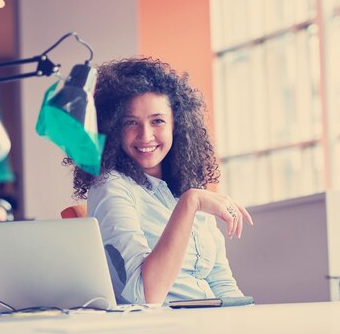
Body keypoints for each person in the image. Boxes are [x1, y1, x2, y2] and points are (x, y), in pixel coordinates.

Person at [64, 57, 253, 305]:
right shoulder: (112, 187)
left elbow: (220, 281)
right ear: (112, 127)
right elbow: (146, 295)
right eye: (130, 122)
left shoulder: (185, 186)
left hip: (211, 324)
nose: (146, 135)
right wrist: (190, 202)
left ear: (177, 124)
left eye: (158, 121)